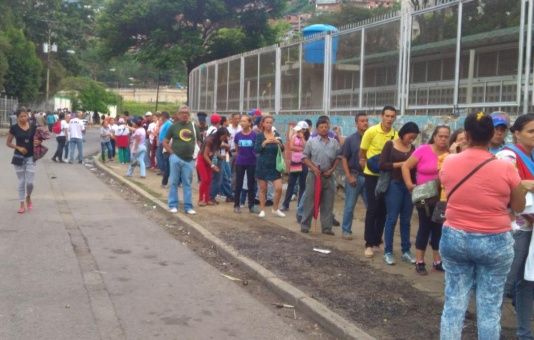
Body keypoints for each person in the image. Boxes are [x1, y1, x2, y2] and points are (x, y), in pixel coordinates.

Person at [439, 112, 533, 340]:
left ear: (466, 135)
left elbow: (447, 186)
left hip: (455, 237)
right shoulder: (505, 168)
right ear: (492, 134)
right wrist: (521, 187)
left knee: (454, 303)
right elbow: (519, 207)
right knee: (490, 308)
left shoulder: (450, 162)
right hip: (494, 241)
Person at [496, 113, 534, 339]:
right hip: (516, 229)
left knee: (527, 284)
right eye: (531, 131)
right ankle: (490, 330)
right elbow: (503, 188)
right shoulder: (508, 155)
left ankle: (525, 333)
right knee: (506, 283)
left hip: (531, 230)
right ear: (516, 133)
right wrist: (523, 184)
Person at [402, 125, 450, 275]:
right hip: (424, 198)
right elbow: (405, 166)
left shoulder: (451, 154)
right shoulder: (423, 150)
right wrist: (410, 185)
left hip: (443, 198)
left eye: (446, 136)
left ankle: (437, 261)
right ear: (434, 136)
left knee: (438, 229)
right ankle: (420, 261)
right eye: (440, 136)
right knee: (424, 227)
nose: (443, 139)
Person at [379, 122, 420, 265]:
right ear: (404, 133)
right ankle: (388, 251)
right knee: (391, 218)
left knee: (406, 220)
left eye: (414, 138)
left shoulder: (413, 148)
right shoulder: (390, 145)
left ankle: (406, 251)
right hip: (394, 185)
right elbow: (382, 165)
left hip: (408, 186)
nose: (411, 140)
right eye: (410, 136)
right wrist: (402, 164)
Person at [359, 106, 397, 257]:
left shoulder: (396, 135)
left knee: (383, 210)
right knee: (373, 208)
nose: (389, 119)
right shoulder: (371, 131)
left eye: (392, 116)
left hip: (386, 176)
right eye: (387, 116)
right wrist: (364, 164)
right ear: (382, 116)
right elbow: (362, 151)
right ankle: (368, 243)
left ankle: (377, 241)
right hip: (371, 175)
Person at [300, 116, 341, 234]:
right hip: (314, 175)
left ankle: (327, 228)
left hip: (329, 176)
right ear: (317, 129)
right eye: (321, 127)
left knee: (328, 202)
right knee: (310, 200)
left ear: (329, 128)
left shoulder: (334, 142)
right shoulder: (311, 142)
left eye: (326, 127)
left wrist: (332, 170)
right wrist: (313, 168)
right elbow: (304, 157)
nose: (324, 129)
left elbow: (338, 157)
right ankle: (305, 225)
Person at [163, 106, 200, 215]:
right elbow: (164, 142)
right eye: (182, 113)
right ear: (178, 114)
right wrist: (172, 153)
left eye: (187, 113)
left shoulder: (194, 127)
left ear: (189, 115)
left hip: (189, 160)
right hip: (176, 158)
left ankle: (188, 207)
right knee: (173, 182)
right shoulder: (173, 127)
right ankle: (173, 205)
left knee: (187, 183)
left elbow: (199, 141)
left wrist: (195, 154)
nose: (185, 115)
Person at [340, 113, 369, 240]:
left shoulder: (371, 138)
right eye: (362, 121)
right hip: (354, 176)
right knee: (350, 205)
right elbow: (344, 158)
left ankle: (371, 233)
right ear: (356, 123)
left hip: (369, 177)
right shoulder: (351, 140)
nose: (365, 123)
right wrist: (348, 176)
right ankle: (346, 230)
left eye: (366, 121)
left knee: (371, 207)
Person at [6, 108, 39, 214]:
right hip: (18, 158)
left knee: (30, 183)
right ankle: (21, 204)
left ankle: (28, 197)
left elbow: (37, 139)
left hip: (30, 157)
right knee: (21, 181)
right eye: (21, 116)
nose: (24, 118)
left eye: (26, 116)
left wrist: (37, 142)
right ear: (17, 117)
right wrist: (18, 148)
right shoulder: (14, 128)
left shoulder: (33, 127)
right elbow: (8, 143)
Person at [254, 115, 285, 218]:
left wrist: (278, 143)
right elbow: (256, 150)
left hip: (275, 166)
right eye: (267, 122)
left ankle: (275, 208)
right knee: (263, 189)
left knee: (279, 188)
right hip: (262, 165)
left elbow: (283, 148)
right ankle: (262, 210)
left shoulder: (276, 134)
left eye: (271, 122)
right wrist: (264, 143)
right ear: (263, 124)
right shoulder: (259, 136)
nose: (269, 124)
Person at [281, 121, 309, 212]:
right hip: (295, 162)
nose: (298, 132)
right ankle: (285, 204)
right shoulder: (294, 136)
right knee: (291, 183)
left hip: (304, 163)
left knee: (302, 185)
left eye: (300, 130)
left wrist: (303, 139)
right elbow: (291, 147)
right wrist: (301, 149)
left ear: (304, 130)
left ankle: (300, 206)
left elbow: (308, 148)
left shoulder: (309, 137)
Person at [197, 128, 229, 206]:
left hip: (208, 160)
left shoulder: (218, 140)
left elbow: (214, 150)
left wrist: (220, 156)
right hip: (202, 160)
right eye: (224, 137)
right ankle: (200, 199)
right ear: (220, 135)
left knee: (209, 180)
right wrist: (213, 165)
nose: (225, 139)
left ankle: (207, 199)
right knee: (204, 179)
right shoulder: (210, 140)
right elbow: (205, 155)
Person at [233, 115, 257, 213]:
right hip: (240, 162)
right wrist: (239, 157)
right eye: (241, 121)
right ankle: (236, 205)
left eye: (244, 121)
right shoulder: (238, 135)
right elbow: (237, 149)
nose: (242, 123)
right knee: (238, 183)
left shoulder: (254, 135)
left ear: (249, 123)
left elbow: (256, 149)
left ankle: (251, 205)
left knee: (251, 184)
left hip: (252, 162)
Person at [157, 112, 172, 187]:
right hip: (162, 143)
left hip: (165, 144)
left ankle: (164, 176)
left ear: (164, 116)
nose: (160, 118)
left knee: (166, 161)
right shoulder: (164, 123)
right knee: (160, 157)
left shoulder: (169, 124)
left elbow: (168, 135)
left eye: (161, 116)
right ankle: (162, 171)